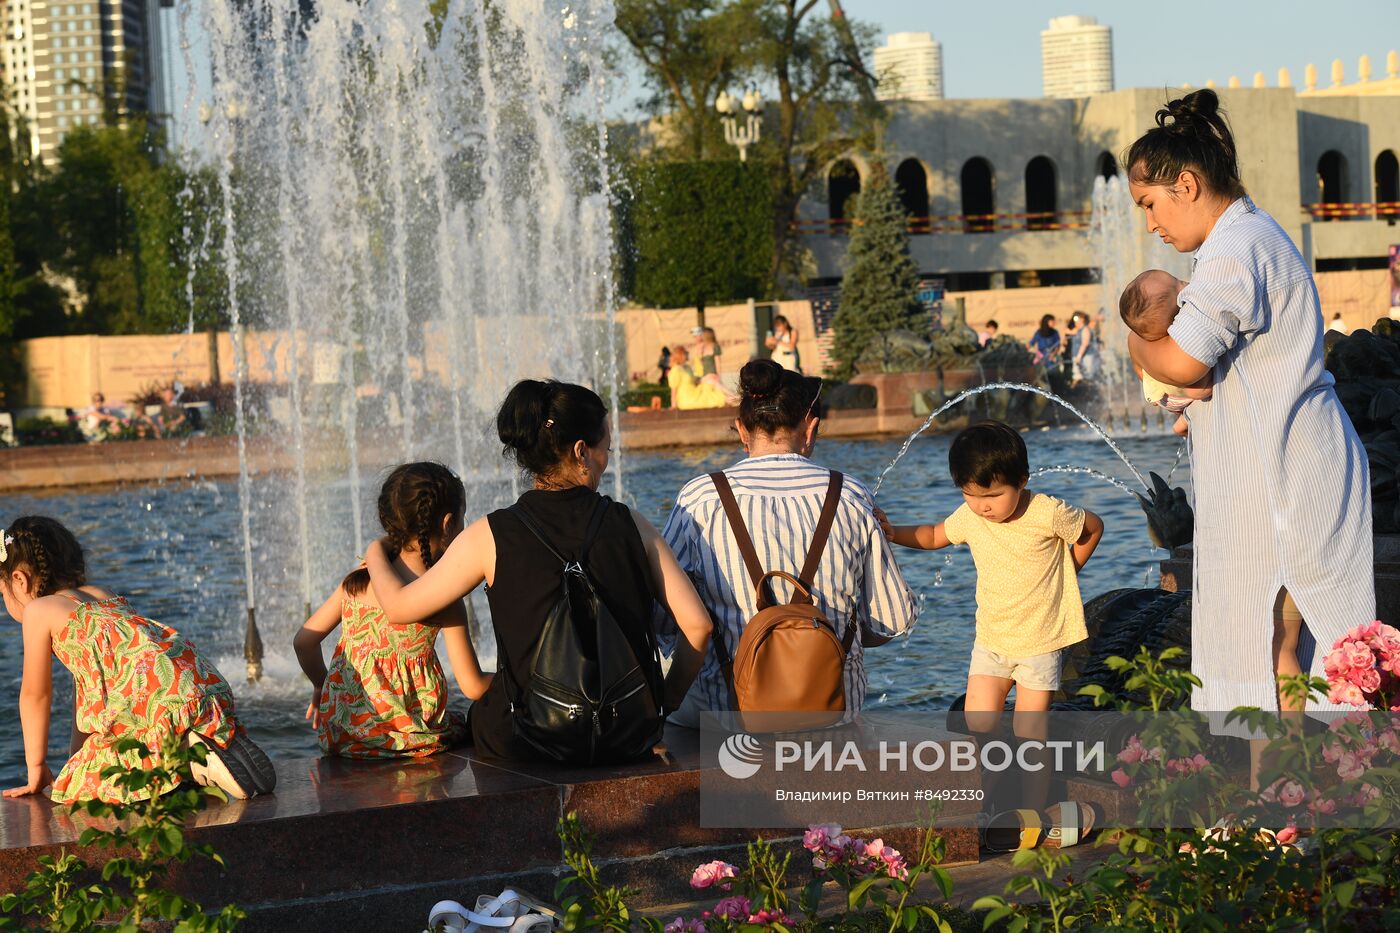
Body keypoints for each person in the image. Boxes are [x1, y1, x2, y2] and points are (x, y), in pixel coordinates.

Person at [1123, 89, 1373, 754]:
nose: (1150, 224)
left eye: (1150, 204)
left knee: (1270, 638)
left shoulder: (1235, 251)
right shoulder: (1247, 240)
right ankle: (1288, 797)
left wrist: (1135, 343)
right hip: (1289, 465)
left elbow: (1180, 361)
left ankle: (1280, 799)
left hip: (1286, 478)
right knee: (1278, 640)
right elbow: (1228, 377)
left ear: (1186, 183)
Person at [363, 380, 713, 762]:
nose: (605, 459)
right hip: (626, 733)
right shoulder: (631, 523)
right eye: (605, 449)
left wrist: (377, 550)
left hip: (528, 740)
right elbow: (698, 626)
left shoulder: (489, 535)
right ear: (581, 451)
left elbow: (398, 608)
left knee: (478, 714)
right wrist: (663, 704)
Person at [876, 421, 1104, 845]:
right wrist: (892, 534)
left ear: (1022, 480)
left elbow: (1092, 528)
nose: (982, 506)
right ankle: (987, 804)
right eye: (971, 494)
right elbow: (932, 536)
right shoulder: (970, 516)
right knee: (978, 725)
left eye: (993, 495)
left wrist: (1067, 574)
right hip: (992, 641)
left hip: (1040, 642)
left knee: (1030, 734)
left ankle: (1033, 815)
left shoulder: (1047, 512)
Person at [659, 359, 918, 727]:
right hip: (831, 711)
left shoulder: (700, 498)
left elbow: (662, 619)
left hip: (728, 713)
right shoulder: (849, 494)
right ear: (810, 429)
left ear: (741, 430)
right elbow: (892, 620)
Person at [0, 516, 275, 803]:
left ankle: (188, 756)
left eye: (3, 592)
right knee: (86, 762)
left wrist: (37, 768)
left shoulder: (39, 611)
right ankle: (206, 743)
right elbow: (91, 691)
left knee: (88, 783)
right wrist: (77, 756)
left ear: (19, 580)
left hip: (157, 707)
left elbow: (35, 695)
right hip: (194, 688)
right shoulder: (102, 595)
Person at [293, 462, 492, 759]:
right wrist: (520, 678)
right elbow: (473, 685)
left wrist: (324, 686)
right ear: (448, 524)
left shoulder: (358, 580)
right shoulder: (443, 599)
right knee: (471, 723)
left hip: (343, 737)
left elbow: (304, 641)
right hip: (407, 739)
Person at [1119, 271, 1215, 435]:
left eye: (1178, 279)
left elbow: (1139, 369)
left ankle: (1179, 415)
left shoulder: (1137, 340)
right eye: (1180, 284)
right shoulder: (1184, 338)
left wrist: (1154, 388)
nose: (1186, 283)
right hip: (1182, 393)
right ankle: (1183, 421)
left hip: (1158, 393)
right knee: (1201, 390)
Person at [666, 345, 729, 410]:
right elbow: (674, 390)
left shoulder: (687, 367)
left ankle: (732, 398)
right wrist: (673, 406)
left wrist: (707, 377)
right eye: (685, 353)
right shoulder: (676, 370)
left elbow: (696, 380)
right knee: (713, 395)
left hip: (695, 393)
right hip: (687, 399)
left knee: (711, 382)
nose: (687, 355)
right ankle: (733, 398)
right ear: (680, 355)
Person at [1069, 312, 1102, 386]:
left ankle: (1089, 390)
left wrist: (1079, 356)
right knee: (1077, 375)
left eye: (1077, 318)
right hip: (1078, 357)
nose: (1075, 321)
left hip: (1086, 356)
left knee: (1087, 375)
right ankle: (1075, 391)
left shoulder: (1085, 329)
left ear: (1082, 319)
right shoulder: (1078, 330)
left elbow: (1085, 343)